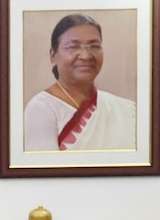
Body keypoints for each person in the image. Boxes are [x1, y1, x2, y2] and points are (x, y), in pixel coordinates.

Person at [23, 14, 136, 151]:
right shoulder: (41, 108)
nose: (86, 56)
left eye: (94, 46)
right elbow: (46, 170)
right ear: (53, 56)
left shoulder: (126, 109)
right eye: (73, 47)